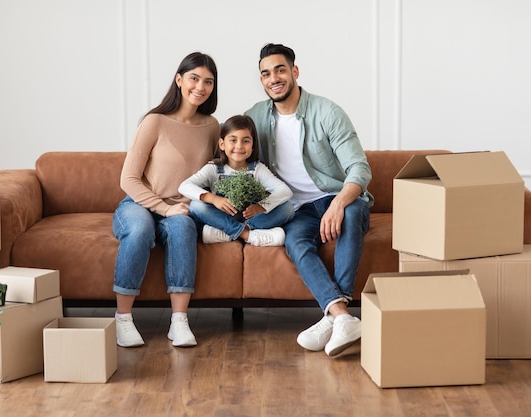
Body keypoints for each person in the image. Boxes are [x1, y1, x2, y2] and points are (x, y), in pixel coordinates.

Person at [244, 43, 373, 357]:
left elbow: (359, 167)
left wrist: (338, 204)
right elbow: (232, 152)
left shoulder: (327, 111)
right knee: (296, 242)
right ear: (261, 80)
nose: (273, 78)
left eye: (280, 70)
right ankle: (342, 317)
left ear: (294, 72)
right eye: (265, 74)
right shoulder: (255, 117)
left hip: (337, 197)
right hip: (297, 209)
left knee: (352, 214)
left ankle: (333, 315)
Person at [112, 52, 220, 348]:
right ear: (179, 80)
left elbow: (213, 173)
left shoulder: (212, 126)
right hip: (139, 204)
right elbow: (129, 179)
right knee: (140, 230)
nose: (201, 87)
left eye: (208, 82)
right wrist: (164, 207)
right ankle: (123, 319)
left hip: (181, 208)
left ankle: (179, 321)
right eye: (194, 78)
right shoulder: (154, 122)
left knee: (184, 227)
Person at [179, 115, 294, 246]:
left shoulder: (257, 169)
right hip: (223, 217)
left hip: (250, 218)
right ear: (222, 144)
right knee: (196, 206)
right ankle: (247, 234)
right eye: (233, 140)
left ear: (252, 145)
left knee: (288, 208)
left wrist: (260, 207)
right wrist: (214, 199)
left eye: (246, 141)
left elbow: (285, 191)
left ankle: (227, 232)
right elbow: (184, 186)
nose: (239, 146)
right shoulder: (214, 168)